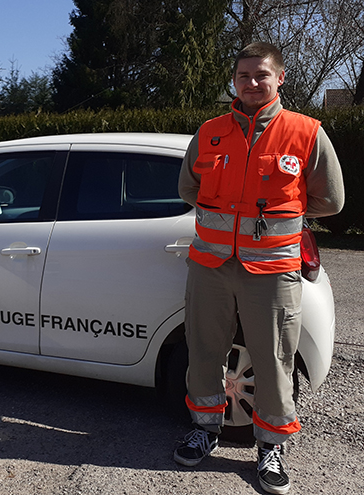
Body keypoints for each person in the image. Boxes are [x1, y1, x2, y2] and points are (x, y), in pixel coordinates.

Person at [174, 42, 345, 494]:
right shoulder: (210, 132)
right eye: (243, 76)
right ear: (233, 80)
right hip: (211, 265)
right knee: (204, 351)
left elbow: (331, 200)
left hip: (271, 270)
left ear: (279, 78)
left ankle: (270, 445)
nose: (251, 83)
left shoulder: (306, 132)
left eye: (261, 75)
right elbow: (189, 188)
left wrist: (285, 211)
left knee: (273, 360)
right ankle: (204, 429)